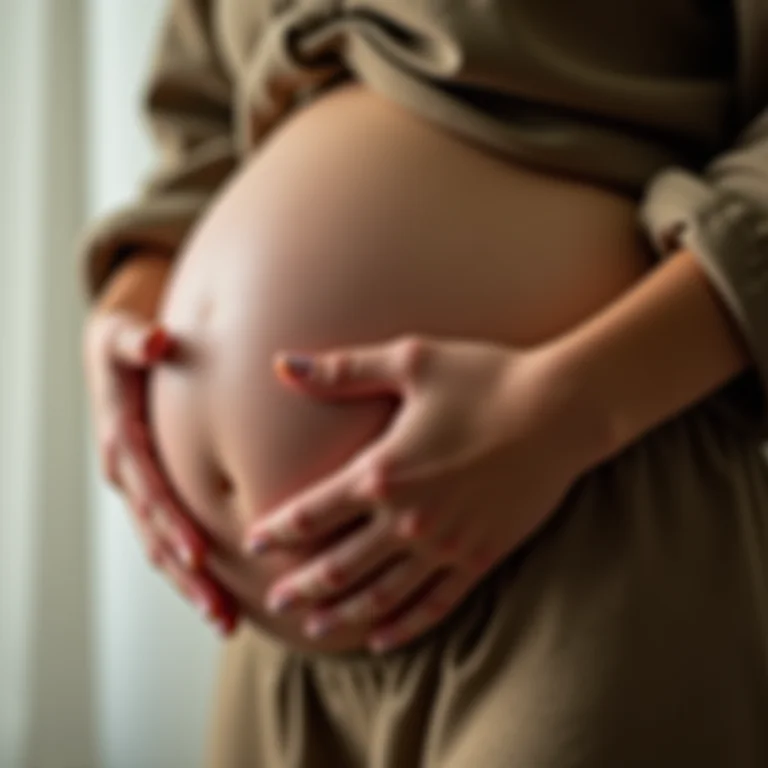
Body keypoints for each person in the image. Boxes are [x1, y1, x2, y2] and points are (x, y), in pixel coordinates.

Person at [82, 0, 768, 765]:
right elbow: (202, 128)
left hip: (582, 526)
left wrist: (576, 408)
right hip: (280, 639)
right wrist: (123, 315)